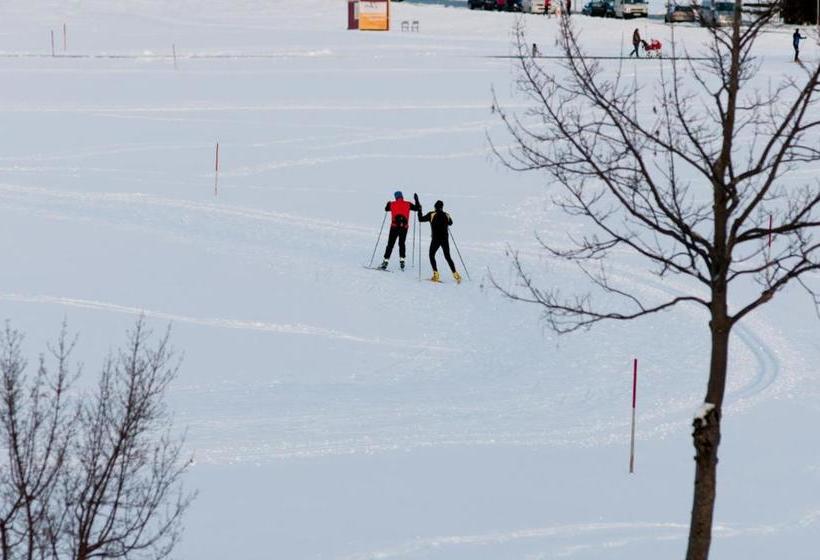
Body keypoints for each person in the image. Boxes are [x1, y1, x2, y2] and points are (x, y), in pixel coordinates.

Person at [414, 193, 461, 283]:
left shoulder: (431, 214)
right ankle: (456, 275)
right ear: (442, 207)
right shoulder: (446, 215)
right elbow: (451, 223)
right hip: (445, 239)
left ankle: (436, 275)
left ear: (435, 207)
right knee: (447, 257)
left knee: (431, 255)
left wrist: (419, 209)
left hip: (436, 239)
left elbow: (420, 219)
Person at [380, 191, 419, 271]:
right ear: (402, 196)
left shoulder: (392, 204)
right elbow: (417, 208)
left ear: (396, 197)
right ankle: (402, 261)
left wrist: (388, 204)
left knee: (390, 244)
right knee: (402, 243)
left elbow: (386, 209)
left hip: (394, 227)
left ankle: (385, 262)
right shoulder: (408, 204)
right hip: (404, 227)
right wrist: (416, 200)